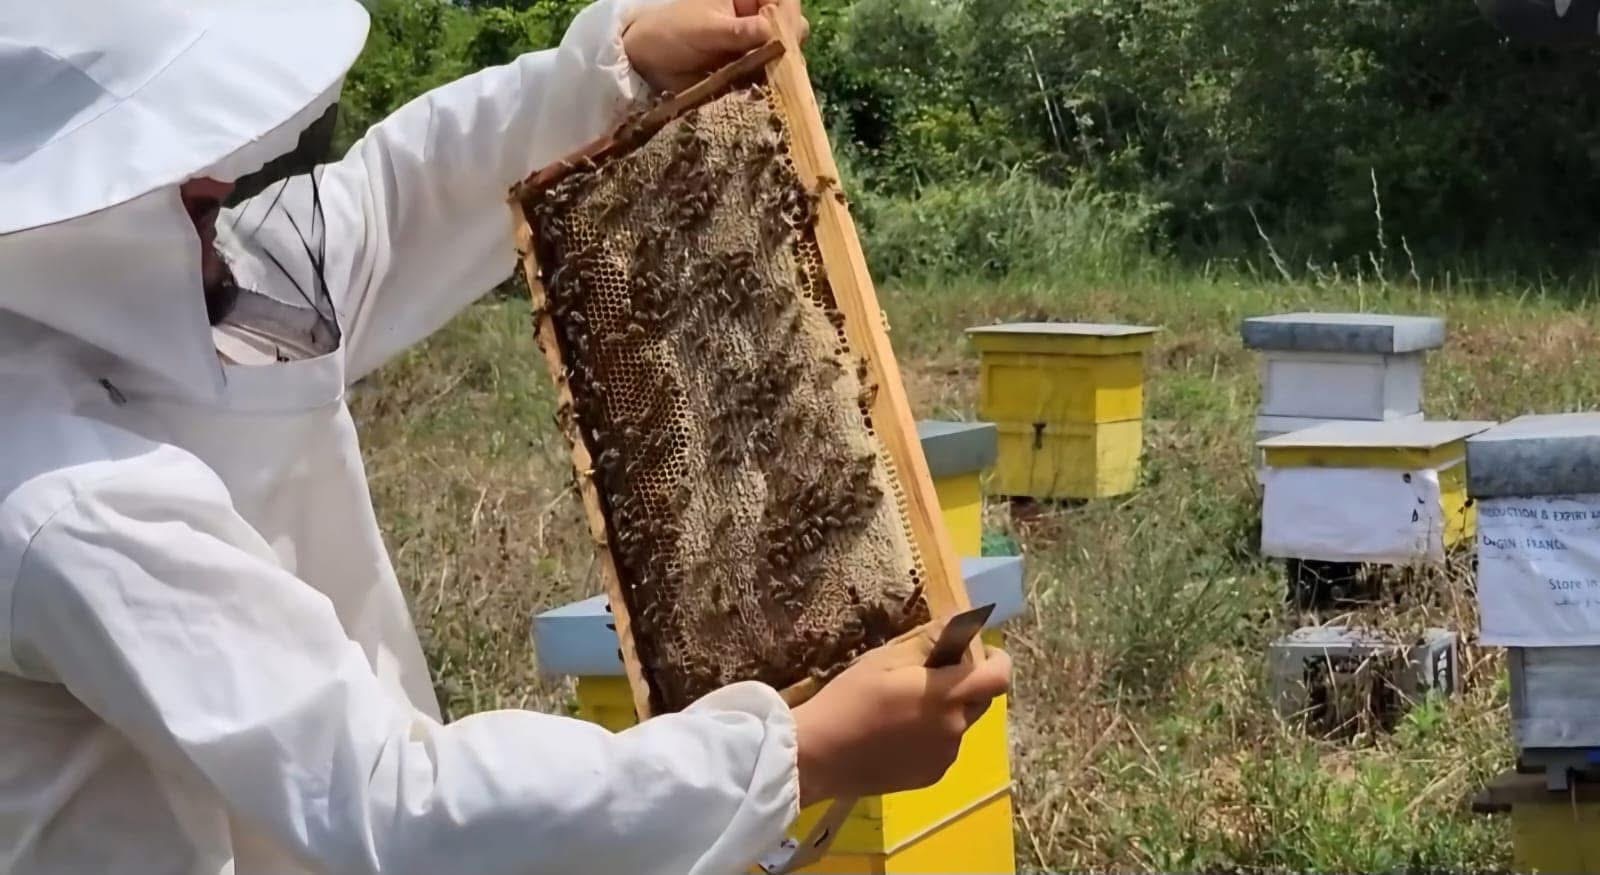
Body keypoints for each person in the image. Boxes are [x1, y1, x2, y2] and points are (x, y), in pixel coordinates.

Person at [0, 0, 1013, 873]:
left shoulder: (180, 281)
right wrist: (791, 754)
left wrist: (617, 64)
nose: (223, 178)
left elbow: (389, 197)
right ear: (63, 205)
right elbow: (388, 805)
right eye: (175, 169)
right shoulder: (65, 501)